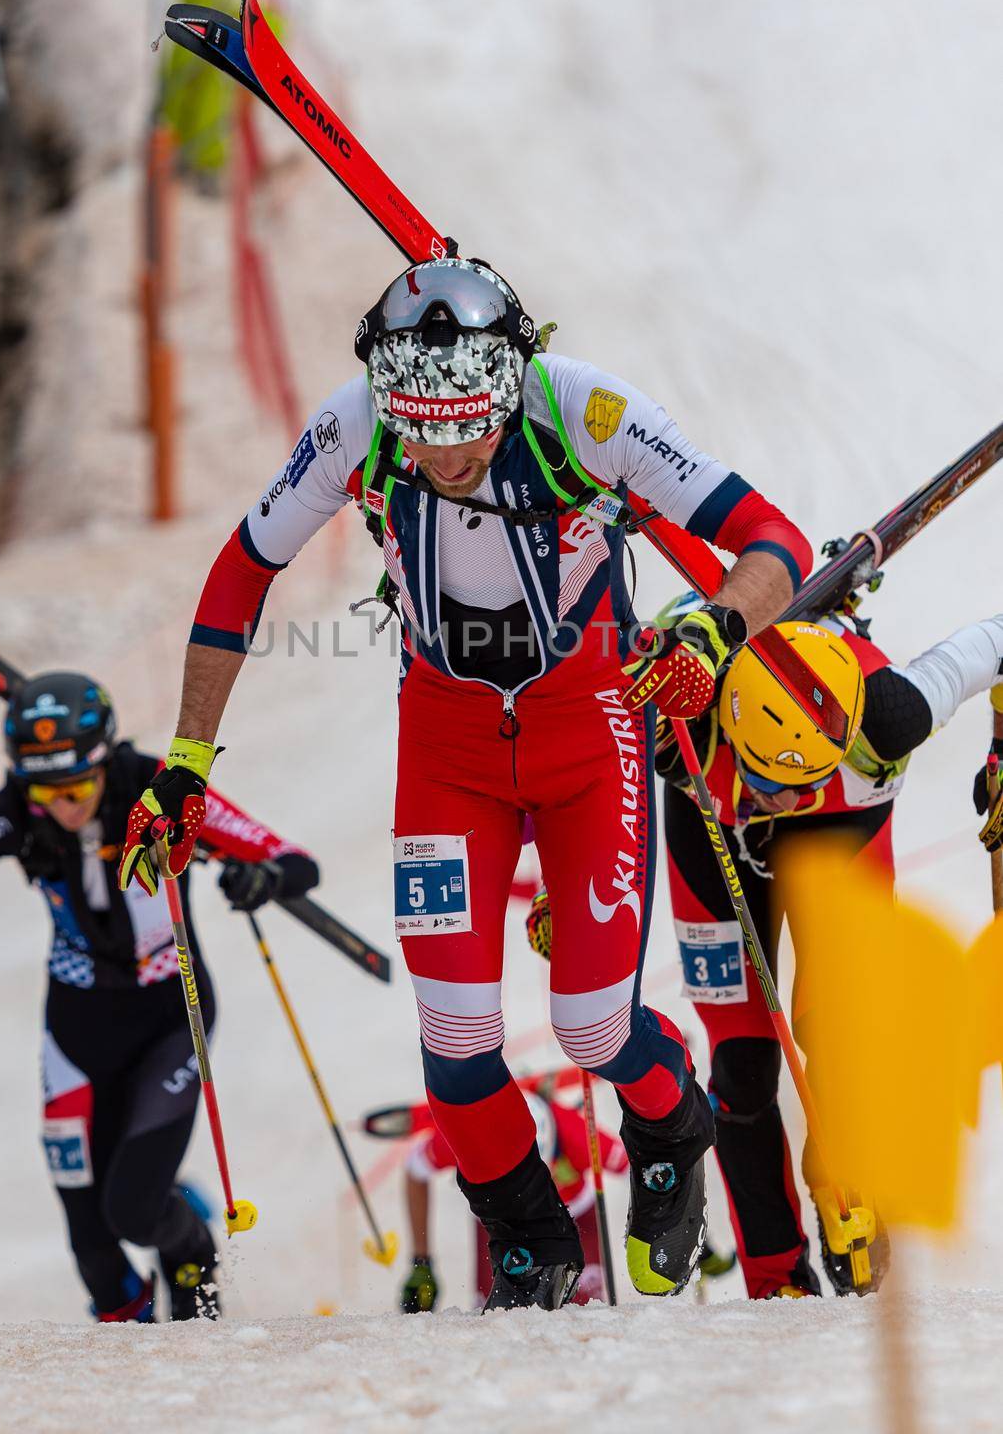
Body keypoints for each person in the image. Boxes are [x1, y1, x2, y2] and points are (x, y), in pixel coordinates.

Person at [119, 255, 812, 1309]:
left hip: (587, 729)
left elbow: (769, 539)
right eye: (421, 430)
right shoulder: (356, 422)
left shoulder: (582, 407)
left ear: (507, 387)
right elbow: (241, 569)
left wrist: (714, 630)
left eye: (466, 428)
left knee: (588, 1024)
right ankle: (527, 1238)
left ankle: (670, 1120)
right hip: (446, 747)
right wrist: (184, 759)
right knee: (451, 1036)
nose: (444, 452)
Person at [0, 670, 319, 1321]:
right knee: (93, 1248)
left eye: (78, 786)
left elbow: (293, 859)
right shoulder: (12, 810)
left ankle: (191, 1245)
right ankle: (129, 1379)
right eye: (46, 791)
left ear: (104, 762)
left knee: (135, 1211)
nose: (64, 805)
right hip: (76, 1031)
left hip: (172, 1021)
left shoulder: (158, 788)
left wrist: (263, 878)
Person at [654, 604, 1003, 1299]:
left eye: (793, 785)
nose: (777, 800)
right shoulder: (679, 715)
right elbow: (562, 753)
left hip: (841, 824)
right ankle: (773, 1275)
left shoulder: (895, 712)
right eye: (764, 781)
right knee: (741, 1062)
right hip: (709, 827)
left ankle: (847, 1204)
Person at [399, 1083, 627, 1312]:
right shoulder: (470, 1136)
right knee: (498, 1316)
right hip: (498, 1217)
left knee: (580, 1310)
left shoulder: (577, 1134)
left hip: (572, 1214)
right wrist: (421, 1261)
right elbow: (415, 1169)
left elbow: (637, 1163)